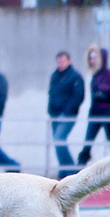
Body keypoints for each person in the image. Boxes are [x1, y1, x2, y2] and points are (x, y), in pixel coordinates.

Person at [76, 44, 110, 166]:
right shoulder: (95, 75)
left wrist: (104, 90)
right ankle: (80, 167)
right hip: (95, 113)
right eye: (90, 58)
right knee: (88, 142)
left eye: (94, 58)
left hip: (107, 112)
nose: (92, 61)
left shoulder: (109, 74)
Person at [48, 51, 85, 179]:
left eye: (63, 61)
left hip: (67, 115)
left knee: (59, 140)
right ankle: (64, 170)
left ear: (69, 61)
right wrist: (51, 111)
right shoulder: (55, 76)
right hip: (55, 114)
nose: (60, 64)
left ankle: (71, 170)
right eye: (58, 61)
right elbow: (52, 94)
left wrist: (68, 111)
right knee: (57, 142)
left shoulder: (74, 76)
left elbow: (79, 95)